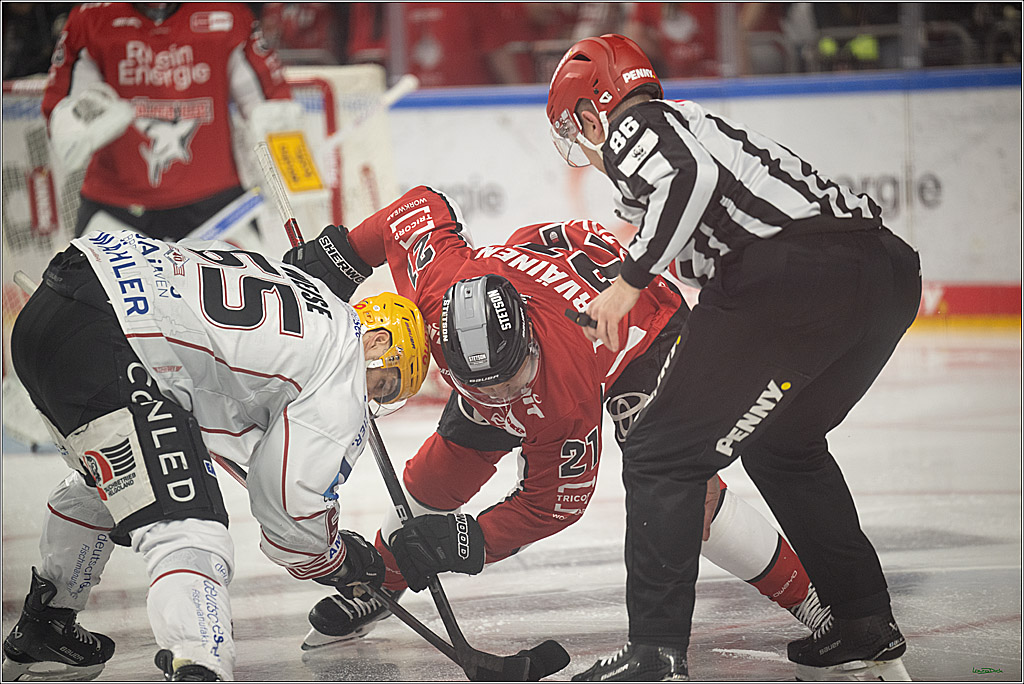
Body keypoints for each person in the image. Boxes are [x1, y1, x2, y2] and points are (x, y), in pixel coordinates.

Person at [280, 186, 830, 657]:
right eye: (484, 385)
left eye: (511, 379)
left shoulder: (565, 395)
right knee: (434, 476)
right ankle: (385, 579)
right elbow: (417, 209)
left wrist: (465, 542)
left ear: (526, 340)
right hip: (546, 264)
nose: (502, 396)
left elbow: (555, 502)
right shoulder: (437, 290)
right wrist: (344, 253)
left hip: (644, 334)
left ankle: (811, 599)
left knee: (684, 491)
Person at [546, 34, 920, 681]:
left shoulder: (641, 122)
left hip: (795, 271)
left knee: (662, 452)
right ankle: (863, 620)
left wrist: (630, 281)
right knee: (785, 443)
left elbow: (688, 179)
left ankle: (656, 655)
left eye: (575, 129)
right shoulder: (689, 127)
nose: (583, 148)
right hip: (883, 274)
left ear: (593, 110)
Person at [1, 228, 429, 681]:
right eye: (384, 382)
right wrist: (338, 561)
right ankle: (200, 663)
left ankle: (47, 627)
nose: (374, 396)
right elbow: (291, 512)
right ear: (378, 341)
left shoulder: (312, 297)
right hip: (115, 339)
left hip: (63, 298)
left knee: (108, 486)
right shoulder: (344, 370)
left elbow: (220, 386)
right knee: (191, 527)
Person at [41, 2, 294, 242]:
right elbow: (62, 117)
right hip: (114, 208)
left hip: (218, 208)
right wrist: (78, 124)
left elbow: (273, 106)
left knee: (250, 285)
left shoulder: (228, 14)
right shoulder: (90, 20)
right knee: (83, 286)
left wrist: (289, 175)